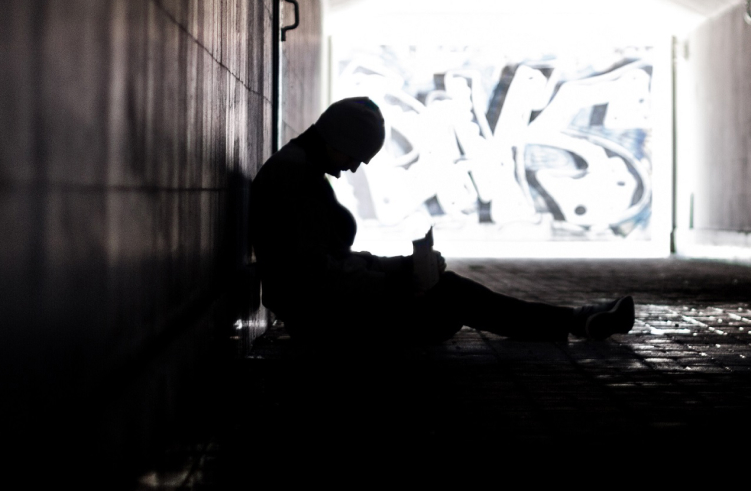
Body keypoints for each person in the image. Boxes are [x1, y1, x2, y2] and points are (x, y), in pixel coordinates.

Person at [249, 96, 635, 344]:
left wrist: (401, 268)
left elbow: (326, 262)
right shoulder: (293, 180)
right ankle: (575, 321)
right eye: (355, 157)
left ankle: (575, 321)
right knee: (451, 295)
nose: (352, 168)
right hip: (324, 321)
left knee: (450, 293)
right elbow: (318, 276)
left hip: (321, 312)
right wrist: (397, 283)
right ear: (338, 141)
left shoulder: (298, 171)